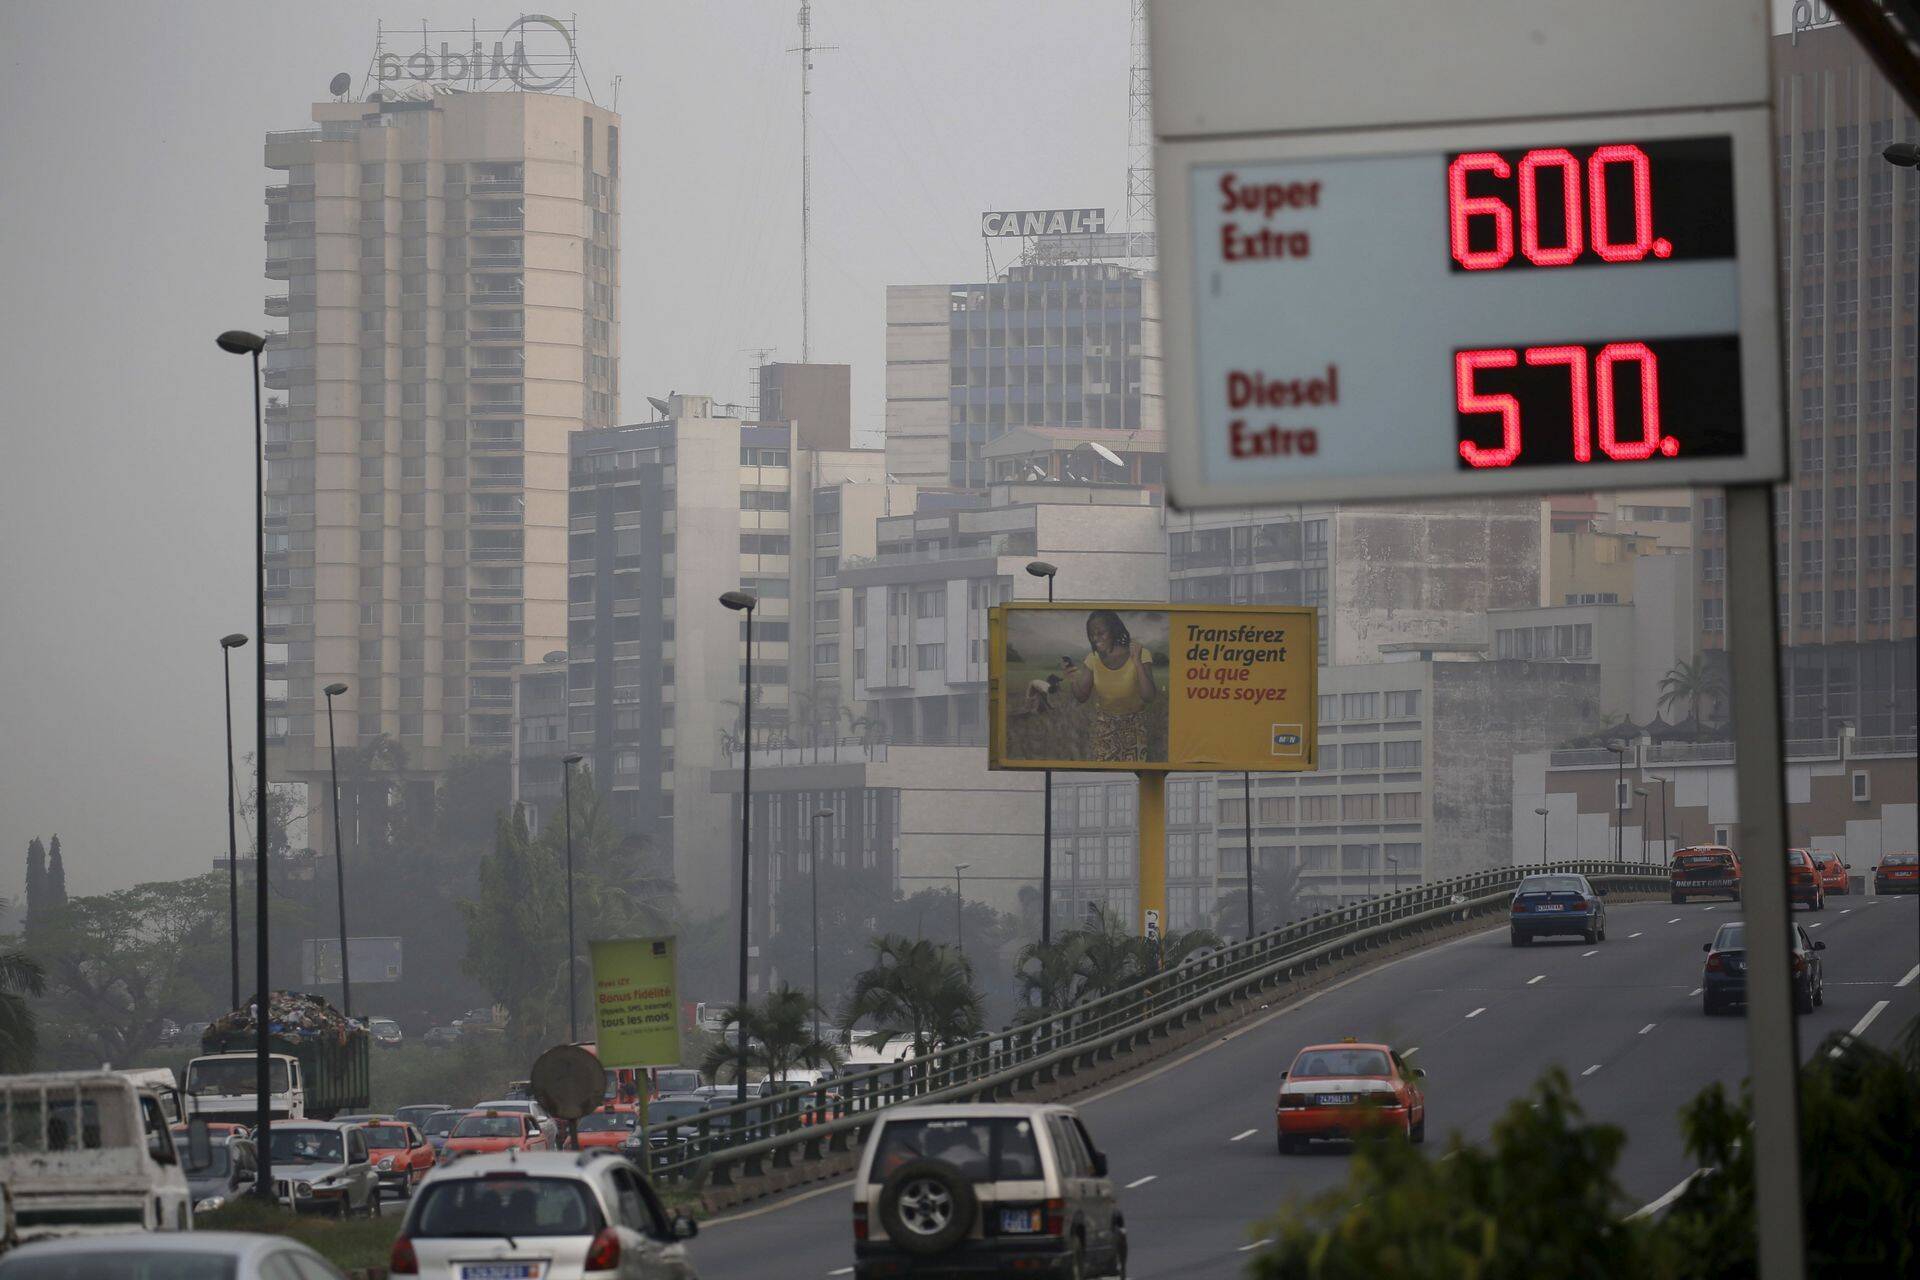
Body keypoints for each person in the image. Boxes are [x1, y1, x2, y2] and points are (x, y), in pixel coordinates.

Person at [1067, 610, 1157, 761]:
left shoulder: (1140, 654)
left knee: (1132, 778)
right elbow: (1082, 696)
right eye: (1091, 635)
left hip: (1134, 728)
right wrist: (1072, 678)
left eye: (1100, 633)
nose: (1095, 639)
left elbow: (1149, 696)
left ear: (1114, 631)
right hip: (1105, 729)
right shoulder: (1092, 659)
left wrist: (1137, 663)